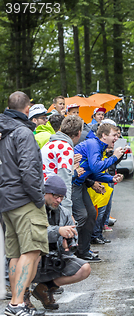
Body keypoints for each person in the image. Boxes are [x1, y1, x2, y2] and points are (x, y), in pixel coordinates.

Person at [0, 91, 49, 316]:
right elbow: (29, 170)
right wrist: (39, 198)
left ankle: (16, 302)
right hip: (25, 200)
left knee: (15, 254)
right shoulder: (22, 132)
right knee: (31, 250)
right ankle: (17, 304)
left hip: (7, 202)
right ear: (27, 108)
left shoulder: (3, 132)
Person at [31, 175, 91, 311]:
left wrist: (69, 244)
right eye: (56, 196)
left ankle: (45, 288)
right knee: (33, 254)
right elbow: (34, 233)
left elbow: (73, 236)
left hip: (56, 258)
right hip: (35, 258)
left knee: (85, 268)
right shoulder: (34, 209)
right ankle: (24, 296)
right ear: (46, 192)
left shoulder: (64, 213)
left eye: (62, 197)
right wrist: (58, 231)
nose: (58, 200)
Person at [72, 124, 125, 262]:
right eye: (114, 135)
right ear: (104, 135)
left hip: (81, 183)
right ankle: (72, 250)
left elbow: (93, 173)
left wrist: (111, 178)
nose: (116, 138)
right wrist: (114, 157)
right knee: (82, 216)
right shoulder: (93, 144)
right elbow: (95, 167)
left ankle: (83, 250)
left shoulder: (99, 146)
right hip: (72, 184)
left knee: (92, 213)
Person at [41, 116, 84, 215]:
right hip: (52, 195)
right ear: (78, 133)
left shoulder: (50, 144)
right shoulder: (66, 148)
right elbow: (64, 183)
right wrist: (68, 212)